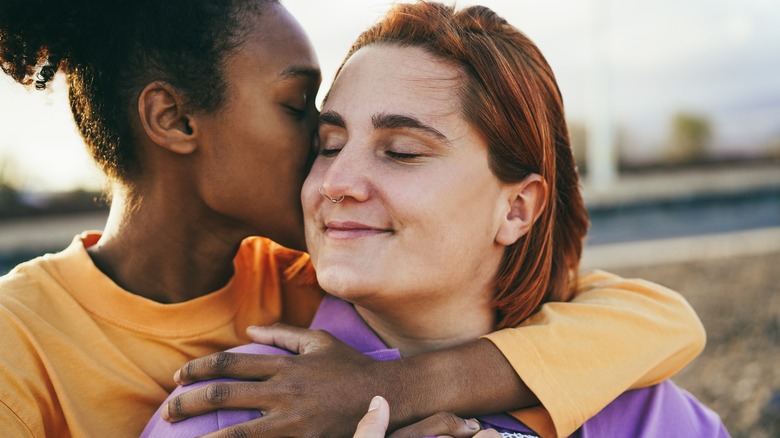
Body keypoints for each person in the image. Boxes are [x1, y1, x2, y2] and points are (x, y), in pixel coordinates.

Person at [0, 0, 704, 436]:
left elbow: (660, 323)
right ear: (175, 118)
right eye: (306, 115)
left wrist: (391, 390)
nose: (329, 166)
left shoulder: (317, 279)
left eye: (397, 150)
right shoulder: (20, 342)